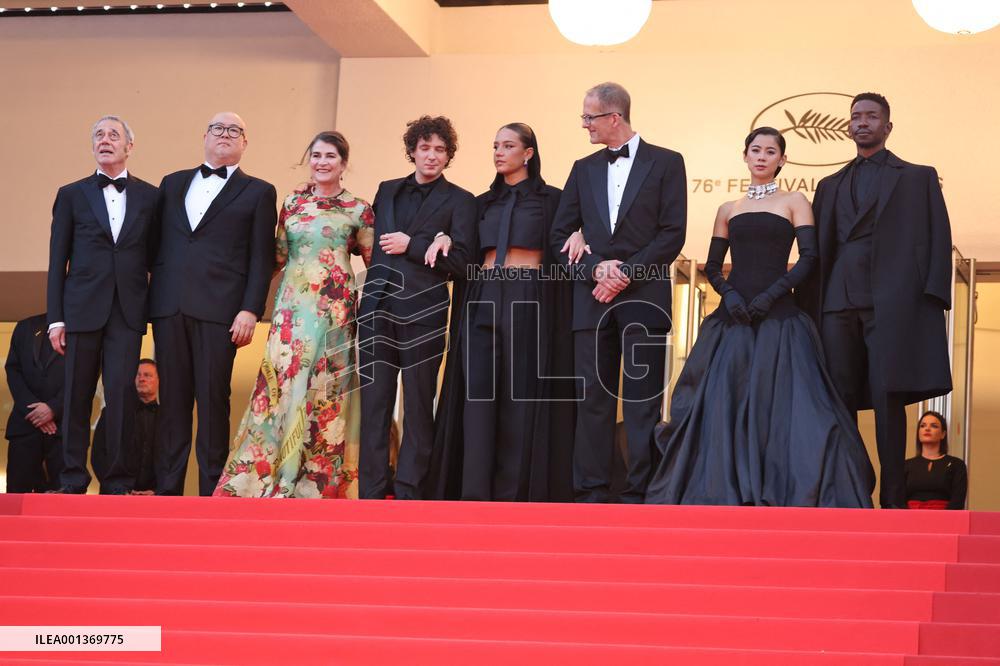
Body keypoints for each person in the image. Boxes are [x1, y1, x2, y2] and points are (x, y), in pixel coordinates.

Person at [646, 127, 874, 507]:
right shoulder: (728, 209)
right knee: (722, 405)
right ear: (746, 156)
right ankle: (723, 488)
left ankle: (786, 489)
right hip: (732, 321)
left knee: (797, 411)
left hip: (781, 319)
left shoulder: (795, 201)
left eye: (771, 151)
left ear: (782, 160)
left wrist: (773, 294)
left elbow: (810, 258)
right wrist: (729, 293)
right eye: (756, 150)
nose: (762, 156)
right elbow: (714, 266)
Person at [796, 93, 953, 509]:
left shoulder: (918, 177)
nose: (862, 122)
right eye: (856, 117)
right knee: (840, 397)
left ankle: (894, 496)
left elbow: (939, 236)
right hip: (835, 300)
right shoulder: (829, 186)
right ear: (849, 126)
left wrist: (933, 296)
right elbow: (817, 250)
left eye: (872, 116)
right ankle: (851, 488)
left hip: (892, 300)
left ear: (887, 126)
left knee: (889, 395)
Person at [214, 131, 374, 499]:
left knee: (326, 395)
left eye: (330, 156)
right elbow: (277, 258)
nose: (322, 162)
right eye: (316, 155)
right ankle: (273, 476)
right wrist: (234, 291)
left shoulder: (358, 209)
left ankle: (314, 483)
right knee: (283, 389)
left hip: (335, 315)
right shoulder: (292, 204)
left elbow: (374, 265)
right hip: (290, 312)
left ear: (343, 163)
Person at [550, 82, 687, 504]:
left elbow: (672, 234)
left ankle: (641, 491)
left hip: (644, 297)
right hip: (591, 301)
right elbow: (560, 235)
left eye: (589, 117)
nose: (584, 125)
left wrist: (624, 273)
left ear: (614, 117)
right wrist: (597, 270)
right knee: (593, 396)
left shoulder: (667, 162)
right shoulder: (582, 168)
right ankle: (591, 490)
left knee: (644, 399)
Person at [426, 123, 576, 502]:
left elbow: (567, 239)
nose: (498, 152)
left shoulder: (553, 200)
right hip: (483, 293)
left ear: (528, 153)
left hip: (531, 296)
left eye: (508, 145)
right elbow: (463, 244)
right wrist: (445, 236)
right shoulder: (479, 203)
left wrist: (581, 232)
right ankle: (474, 493)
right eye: (495, 145)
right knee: (478, 395)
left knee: (520, 397)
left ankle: (514, 496)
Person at [150, 112, 277, 496]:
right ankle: (167, 492)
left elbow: (261, 257)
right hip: (169, 307)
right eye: (218, 129)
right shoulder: (171, 184)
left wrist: (250, 309)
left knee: (212, 402)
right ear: (204, 136)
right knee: (171, 403)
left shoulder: (259, 191)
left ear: (245, 141)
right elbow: (153, 244)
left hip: (221, 312)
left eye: (234, 130)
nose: (225, 135)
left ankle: (211, 495)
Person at [358, 115, 476, 500]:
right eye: (425, 148)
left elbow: (462, 265)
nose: (432, 156)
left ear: (449, 156)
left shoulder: (461, 201)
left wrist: (415, 244)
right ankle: (371, 493)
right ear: (412, 150)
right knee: (374, 406)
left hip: (424, 313)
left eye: (440, 150)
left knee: (418, 403)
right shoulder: (386, 190)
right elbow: (373, 247)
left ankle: (410, 493)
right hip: (376, 308)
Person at [46, 115, 159, 495]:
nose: (105, 140)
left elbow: (156, 258)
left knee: (121, 397)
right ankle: (72, 478)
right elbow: (57, 260)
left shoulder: (150, 195)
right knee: (77, 396)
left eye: (114, 135)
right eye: (98, 135)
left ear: (130, 146)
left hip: (127, 312)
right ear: (92, 146)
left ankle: (117, 480)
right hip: (80, 310)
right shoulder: (71, 194)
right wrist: (55, 319)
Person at [4, 313, 65, 493]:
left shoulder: (84, 329)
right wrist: (33, 408)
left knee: (63, 502)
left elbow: (87, 377)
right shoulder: (26, 326)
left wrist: (54, 407)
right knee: (16, 495)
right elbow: (13, 369)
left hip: (63, 430)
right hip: (25, 424)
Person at [91, 358, 159, 495]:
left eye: (147, 375)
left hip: (155, 498)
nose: (141, 379)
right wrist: (117, 488)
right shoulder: (112, 413)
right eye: (138, 375)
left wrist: (157, 490)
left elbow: (170, 459)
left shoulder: (167, 418)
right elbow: (98, 455)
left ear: (159, 381)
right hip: (115, 497)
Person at [904, 410, 967, 510]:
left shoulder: (957, 465)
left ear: (943, 434)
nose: (927, 429)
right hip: (910, 519)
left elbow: (957, 501)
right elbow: (899, 499)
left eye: (934, 426)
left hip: (945, 520)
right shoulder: (906, 465)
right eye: (923, 426)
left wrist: (941, 520)